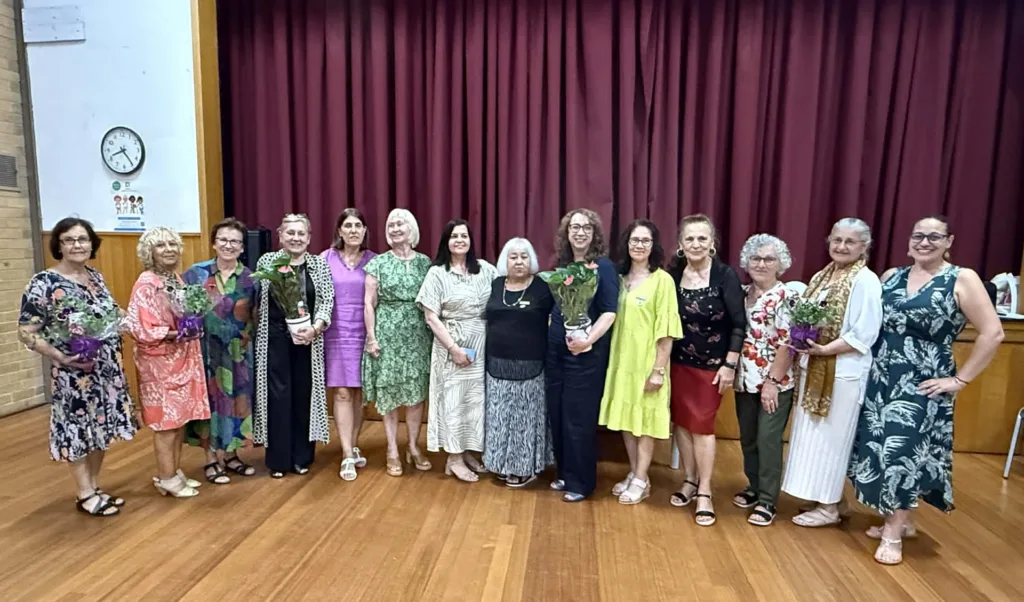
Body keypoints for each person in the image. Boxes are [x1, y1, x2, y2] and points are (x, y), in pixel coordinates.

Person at [850, 215, 1004, 565]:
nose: (925, 242)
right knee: (878, 450)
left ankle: (893, 532)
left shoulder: (961, 279)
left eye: (935, 236)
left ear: (949, 241)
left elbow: (992, 332)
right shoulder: (892, 276)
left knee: (904, 454)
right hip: (881, 378)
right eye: (918, 235)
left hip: (924, 383)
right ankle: (902, 520)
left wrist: (960, 379)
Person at [18, 218, 136, 516]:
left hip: (106, 370)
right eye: (69, 240)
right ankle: (84, 493)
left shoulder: (95, 277)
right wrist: (58, 356)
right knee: (78, 431)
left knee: (100, 429)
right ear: (58, 245)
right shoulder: (43, 283)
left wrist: (139, 322)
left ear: (91, 244)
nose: (77, 245)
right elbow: (26, 331)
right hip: (73, 374)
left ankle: (95, 487)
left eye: (82, 239)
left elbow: (111, 313)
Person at [783, 218, 883, 527]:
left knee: (832, 441)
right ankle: (831, 501)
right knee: (814, 438)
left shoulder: (865, 280)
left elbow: (864, 333)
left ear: (864, 246)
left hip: (842, 374)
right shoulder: (823, 276)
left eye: (849, 242)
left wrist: (826, 350)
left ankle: (827, 508)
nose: (841, 246)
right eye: (837, 240)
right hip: (814, 367)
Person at [667, 214, 745, 526]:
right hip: (678, 363)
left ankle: (705, 491)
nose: (696, 244)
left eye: (702, 238)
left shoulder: (725, 275)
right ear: (681, 245)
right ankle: (689, 480)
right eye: (690, 239)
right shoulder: (673, 274)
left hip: (712, 368)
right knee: (682, 425)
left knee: (703, 426)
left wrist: (730, 363)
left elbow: (739, 323)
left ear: (711, 243)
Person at [599, 220, 682, 504]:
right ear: (626, 244)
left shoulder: (663, 281)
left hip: (649, 363)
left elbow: (668, 332)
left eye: (645, 241)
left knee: (644, 422)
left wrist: (658, 371)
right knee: (626, 419)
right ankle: (636, 474)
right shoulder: (618, 278)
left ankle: (642, 477)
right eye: (634, 240)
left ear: (654, 246)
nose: (639, 245)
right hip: (622, 361)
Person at [125, 226, 210, 498]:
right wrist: (179, 332)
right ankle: (166, 478)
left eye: (172, 244)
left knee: (179, 421)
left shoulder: (174, 278)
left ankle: (173, 471)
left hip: (182, 358)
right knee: (166, 424)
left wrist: (193, 323)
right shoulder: (146, 283)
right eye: (161, 245)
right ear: (149, 252)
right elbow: (142, 329)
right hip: (159, 364)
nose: (169, 250)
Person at [546, 209, 619, 502]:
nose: (579, 232)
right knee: (557, 410)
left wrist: (586, 340)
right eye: (574, 227)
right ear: (566, 232)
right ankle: (564, 472)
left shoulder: (603, 267)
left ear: (595, 233)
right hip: (556, 350)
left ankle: (581, 482)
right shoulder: (562, 265)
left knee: (578, 416)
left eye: (586, 228)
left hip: (586, 352)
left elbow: (610, 311)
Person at [253, 214, 334, 478]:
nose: (296, 238)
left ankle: (301, 457)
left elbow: (326, 301)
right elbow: (259, 299)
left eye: (301, 234)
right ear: (280, 235)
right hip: (274, 340)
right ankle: (278, 460)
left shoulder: (319, 265)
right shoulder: (268, 261)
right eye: (291, 233)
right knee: (277, 398)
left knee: (303, 397)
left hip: (308, 341)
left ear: (309, 238)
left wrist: (316, 328)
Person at [417, 219, 497, 482]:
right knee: (453, 401)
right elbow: (431, 317)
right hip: (450, 346)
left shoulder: (485, 270)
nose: (460, 240)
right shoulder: (437, 273)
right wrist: (453, 348)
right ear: (446, 242)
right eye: (454, 236)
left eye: (464, 235)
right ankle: (453, 457)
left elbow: (508, 289)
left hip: (480, 346)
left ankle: (466, 451)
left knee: (474, 403)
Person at [182, 217, 258, 484]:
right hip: (206, 353)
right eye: (224, 240)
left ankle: (233, 454)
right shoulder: (195, 274)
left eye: (235, 241)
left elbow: (255, 315)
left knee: (238, 402)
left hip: (239, 352)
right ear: (214, 243)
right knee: (210, 405)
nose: (229, 245)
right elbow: (183, 312)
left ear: (242, 247)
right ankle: (211, 459)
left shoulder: (250, 279)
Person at [362, 208, 432, 477]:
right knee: (390, 396)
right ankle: (392, 448)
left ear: (411, 228)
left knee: (415, 396)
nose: (394, 228)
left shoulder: (425, 262)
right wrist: (371, 337)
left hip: (418, 335)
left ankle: (413, 446)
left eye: (400, 223)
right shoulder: (377, 263)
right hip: (387, 333)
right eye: (390, 224)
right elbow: (368, 303)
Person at [732, 234, 797, 526]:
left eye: (768, 259)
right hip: (744, 380)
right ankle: (754, 486)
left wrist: (772, 381)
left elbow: (787, 343)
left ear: (780, 264)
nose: (761, 264)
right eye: (755, 258)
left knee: (768, 439)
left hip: (774, 383)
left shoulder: (787, 296)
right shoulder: (742, 292)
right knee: (748, 438)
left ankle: (768, 500)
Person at [482, 237, 555, 487]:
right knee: (499, 419)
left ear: (531, 260)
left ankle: (525, 467)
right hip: (496, 365)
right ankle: (500, 464)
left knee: (524, 421)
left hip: (530, 366)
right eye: (513, 257)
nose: (519, 261)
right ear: (505, 261)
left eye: (524, 256)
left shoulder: (542, 287)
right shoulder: (495, 285)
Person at [321, 208, 375, 481]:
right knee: (341, 392)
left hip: (365, 334)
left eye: (358, 225)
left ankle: (353, 446)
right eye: (348, 226)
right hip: (335, 333)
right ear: (339, 231)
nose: (353, 230)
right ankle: (345, 454)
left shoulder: (375, 261)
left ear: (365, 231)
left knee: (358, 393)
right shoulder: (324, 259)